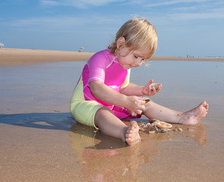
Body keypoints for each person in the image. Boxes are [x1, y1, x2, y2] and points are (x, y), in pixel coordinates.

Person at [70, 18, 209, 145]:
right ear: (120, 43)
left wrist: (141, 91)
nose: (138, 63)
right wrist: (125, 101)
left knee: (144, 102)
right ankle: (123, 132)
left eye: (143, 59)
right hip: (86, 104)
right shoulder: (100, 59)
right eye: (136, 56)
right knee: (102, 113)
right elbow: (96, 88)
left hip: (112, 105)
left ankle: (181, 117)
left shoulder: (126, 64)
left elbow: (122, 88)